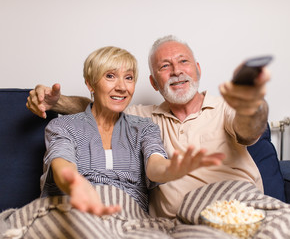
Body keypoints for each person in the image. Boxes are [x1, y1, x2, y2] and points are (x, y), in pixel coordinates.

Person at [27, 35, 270, 218]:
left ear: (197, 69)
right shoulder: (142, 116)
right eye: (165, 66)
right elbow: (94, 108)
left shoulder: (226, 107)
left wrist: (252, 107)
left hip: (240, 205)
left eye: (183, 61)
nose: (176, 71)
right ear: (154, 82)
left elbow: (248, 129)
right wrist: (58, 102)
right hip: (178, 222)